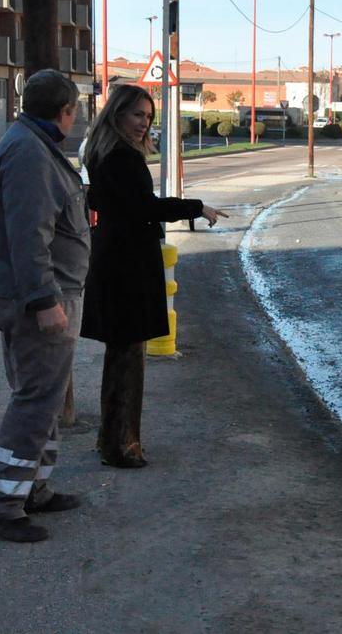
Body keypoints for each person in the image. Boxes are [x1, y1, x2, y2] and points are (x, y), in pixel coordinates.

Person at [80, 84, 227, 468]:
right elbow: (144, 207)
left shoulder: (104, 152)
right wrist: (197, 207)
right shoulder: (121, 158)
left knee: (122, 355)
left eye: (148, 117)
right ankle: (123, 447)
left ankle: (112, 440)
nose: (144, 123)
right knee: (128, 358)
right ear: (117, 115)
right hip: (126, 265)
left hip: (117, 258)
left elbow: (104, 200)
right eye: (137, 115)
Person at [0, 69, 90, 543]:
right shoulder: (28, 154)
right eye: (75, 111)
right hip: (41, 300)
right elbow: (29, 236)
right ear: (66, 112)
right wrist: (45, 300)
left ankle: (32, 488)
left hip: (42, 294)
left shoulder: (29, 144)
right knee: (36, 399)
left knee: (44, 398)